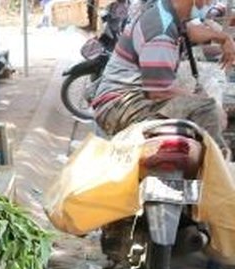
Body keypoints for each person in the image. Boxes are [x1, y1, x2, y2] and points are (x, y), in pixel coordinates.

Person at [91, 0, 235, 155]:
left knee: (200, 103)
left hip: (122, 96)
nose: (210, 3)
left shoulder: (165, 10)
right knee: (207, 109)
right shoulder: (161, 32)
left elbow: (190, 31)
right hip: (118, 105)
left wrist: (223, 38)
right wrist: (207, 104)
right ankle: (218, 166)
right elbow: (159, 91)